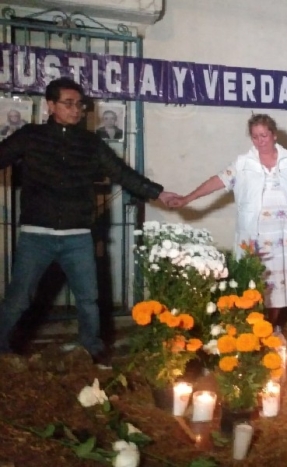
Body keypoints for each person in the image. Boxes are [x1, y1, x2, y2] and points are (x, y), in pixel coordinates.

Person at [0, 77, 177, 367]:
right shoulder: (30, 136)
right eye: (68, 103)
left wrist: (159, 194)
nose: (76, 109)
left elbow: (123, 174)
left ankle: (92, 355)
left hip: (78, 237)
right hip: (36, 236)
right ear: (50, 105)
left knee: (88, 300)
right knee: (18, 300)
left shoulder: (90, 143)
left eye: (79, 104)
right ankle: (2, 351)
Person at [168, 114, 287, 325]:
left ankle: (271, 328)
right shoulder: (243, 163)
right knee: (253, 282)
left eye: (264, 135)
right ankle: (252, 329)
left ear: (274, 135)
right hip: (254, 235)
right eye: (255, 137)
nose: (260, 141)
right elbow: (218, 180)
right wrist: (188, 198)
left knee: (278, 285)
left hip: (283, 235)